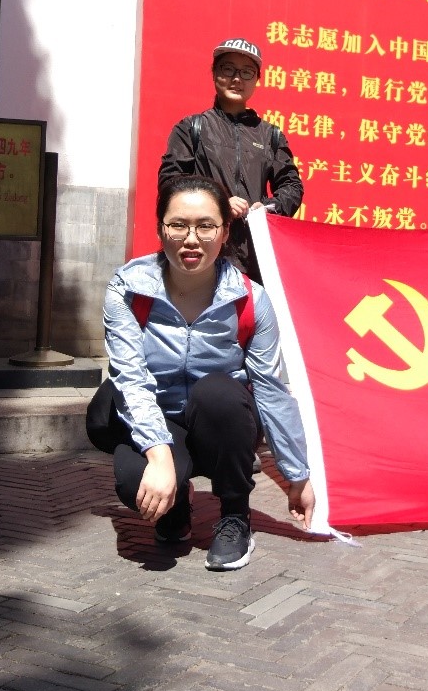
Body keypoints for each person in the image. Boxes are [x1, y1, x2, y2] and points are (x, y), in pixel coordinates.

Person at [99, 174, 315, 569]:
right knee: (134, 482)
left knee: (218, 393)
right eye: (178, 225)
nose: (191, 239)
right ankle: (175, 507)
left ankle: (235, 516)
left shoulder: (251, 299)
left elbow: (270, 389)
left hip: (221, 421)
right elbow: (130, 378)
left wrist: (297, 475)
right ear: (160, 228)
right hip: (161, 415)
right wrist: (159, 458)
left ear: (225, 231)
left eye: (205, 226)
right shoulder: (128, 289)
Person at [158, 38, 303, 283]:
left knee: (250, 307)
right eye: (228, 69)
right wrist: (219, 203)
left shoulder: (270, 135)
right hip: (201, 249)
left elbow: (292, 186)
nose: (237, 79)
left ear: (257, 80)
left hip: (253, 255)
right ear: (214, 73)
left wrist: (268, 207)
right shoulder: (192, 128)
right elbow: (171, 183)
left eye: (247, 72)